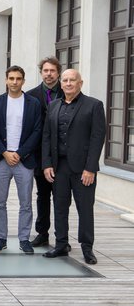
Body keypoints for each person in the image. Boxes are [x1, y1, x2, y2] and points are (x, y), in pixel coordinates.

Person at [42, 69, 106, 265]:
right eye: (66, 80)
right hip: (59, 167)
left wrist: (91, 168)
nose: (68, 83)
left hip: (83, 170)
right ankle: (61, 245)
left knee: (85, 209)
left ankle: (87, 248)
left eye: (72, 80)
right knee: (60, 208)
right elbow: (46, 137)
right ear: (61, 84)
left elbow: (97, 138)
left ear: (80, 83)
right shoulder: (53, 106)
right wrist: (46, 164)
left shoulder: (94, 105)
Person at [0, 66, 42, 254]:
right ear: (6, 80)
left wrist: (20, 153)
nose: (15, 82)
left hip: (24, 160)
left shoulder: (33, 103)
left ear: (23, 81)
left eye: (18, 78)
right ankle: (1, 238)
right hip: (1, 159)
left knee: (25, 203)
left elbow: (37, 131)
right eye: (11, 78)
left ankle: (24, 239)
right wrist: (4, 152)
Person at [27, 56, 64, 247]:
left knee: (61, 198)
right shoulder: (31, 95)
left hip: (63, 156)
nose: (49, 74)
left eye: (52, 71)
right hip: (40, 155)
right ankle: (42, 233)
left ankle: (61, 237)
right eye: (45, 71)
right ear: (41, 73)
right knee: (42, 196)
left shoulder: (67, 92)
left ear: (58, 72)